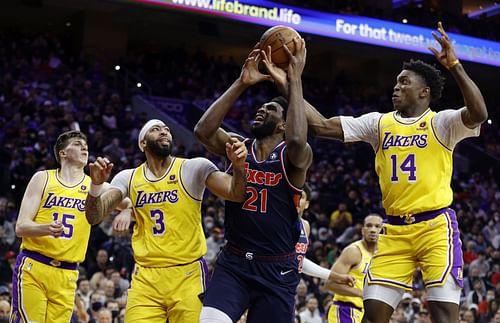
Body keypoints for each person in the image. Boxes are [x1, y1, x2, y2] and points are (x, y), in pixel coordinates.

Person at [262, 22, 488, 323]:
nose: (396, 86)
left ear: (425, 92)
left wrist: (456, 66)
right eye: (396, 81)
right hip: (394, 231)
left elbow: (479, 114)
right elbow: (320, 125)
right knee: (373, 316)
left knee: (444, 316)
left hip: (435, 228)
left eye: (405, 82)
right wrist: (291, 84)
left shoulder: (442, 123)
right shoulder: (378, 123)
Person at [84, 119, 248, 322]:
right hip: (146, 277)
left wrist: (239, 167)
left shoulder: (193, 167)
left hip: (187, 274)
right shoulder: (128, 178)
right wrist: (95, 186)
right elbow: (94, 216)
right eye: (155, 129)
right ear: (143, 142)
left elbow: (236, 194)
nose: (164, 132)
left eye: (167, 130)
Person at [195, 38, 312, 323]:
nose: (262, 109)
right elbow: (203, 130)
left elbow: (297, 138)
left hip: (276, 270)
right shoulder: (238, 146)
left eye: (271, 109)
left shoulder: (293, 155)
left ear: (284, 124)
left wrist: (294, 79)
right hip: (234, 262)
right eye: (262, 106)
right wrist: (241, 83)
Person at [10, 130, 130, 322]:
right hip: (34, 266)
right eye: (76, 144)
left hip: (68, 273)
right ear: (62, 153)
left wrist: (126, 211)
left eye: (86, 145)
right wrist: (46, 228)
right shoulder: (43, 178)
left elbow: (127, 200)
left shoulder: (94, 186)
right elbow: (21, 227)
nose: (84, 147)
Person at [325, 214, 382, 322]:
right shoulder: (353, 251)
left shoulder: (381, 256)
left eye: (377, 226)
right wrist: (360, 293)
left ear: (383, 231)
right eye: (369, 226)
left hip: (364, 314)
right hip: (345, 310)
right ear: (362, 230)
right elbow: (329, 283)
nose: (373, 230)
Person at [297, 184, 355, 286]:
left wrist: (338, 277)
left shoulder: (305, 225)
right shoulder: (277, 222)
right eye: (293, 196)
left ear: (307, 204)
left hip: (289, 286)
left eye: (300, 197)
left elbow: (300, 261)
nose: (296, 200)